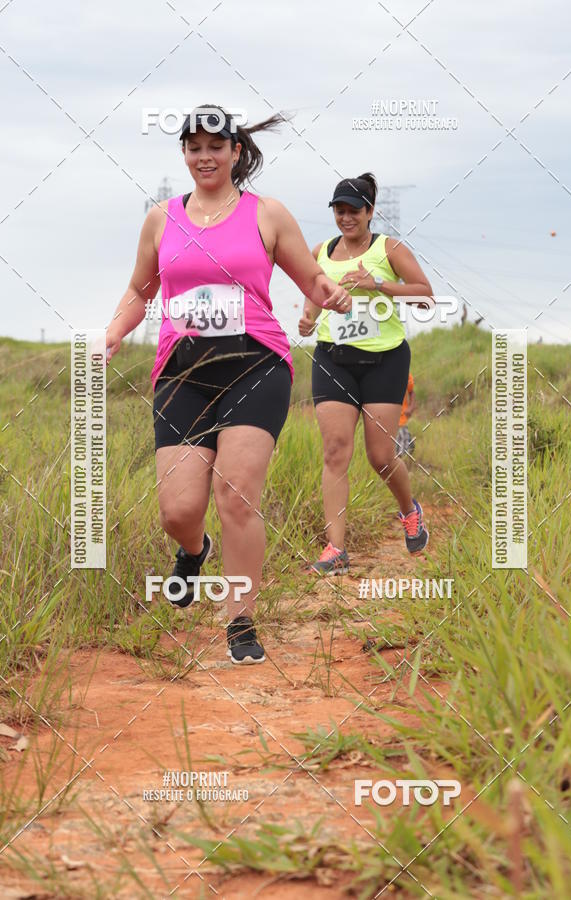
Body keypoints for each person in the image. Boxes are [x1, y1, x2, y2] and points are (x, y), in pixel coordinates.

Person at [105, 105, 351, 663]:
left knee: (236, 493)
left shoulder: (268, 214)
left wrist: (330, 292)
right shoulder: (161, 219)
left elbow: (311, 278)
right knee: (178, 509)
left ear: (236, 152)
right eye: (193, 148)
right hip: (182, 372)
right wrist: (114, 332)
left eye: (216, 147)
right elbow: (141, 291)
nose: (204, 157)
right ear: (184, 155)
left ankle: (240, 621)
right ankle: (194, 550)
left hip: (254, 364)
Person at [298, 173, 432, 575]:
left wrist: (378, 285)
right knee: (336, 450)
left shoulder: (388, 249)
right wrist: (308, 320)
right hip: (333, 359)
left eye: (353, 210)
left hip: (384, 360)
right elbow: (312, 298)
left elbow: (425, 294)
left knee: (380, 455)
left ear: (370, 212)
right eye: (339, 210)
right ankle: (335, 550)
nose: (346, 217)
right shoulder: (320, 251)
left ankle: (410, 512)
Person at [395, 372, 416, 457]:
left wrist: (411, 407)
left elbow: (411, 392)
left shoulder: (405, 373)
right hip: (385, 420)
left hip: (401, 418)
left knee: (403, 447)